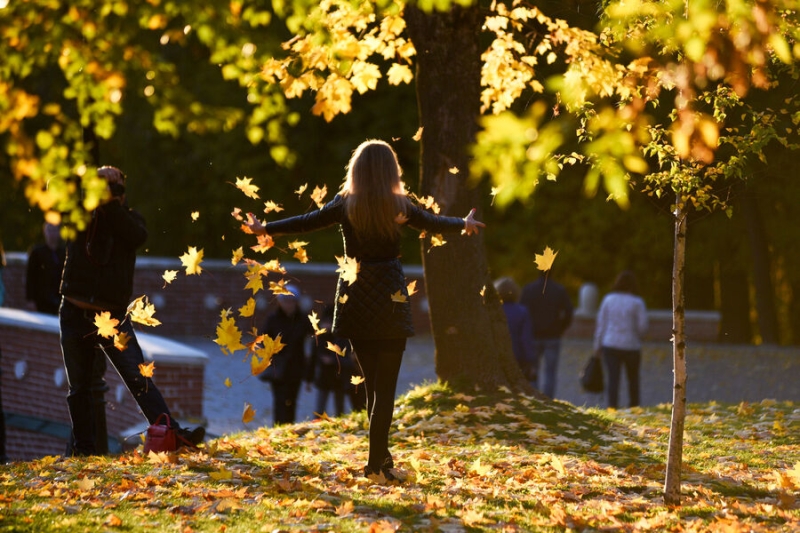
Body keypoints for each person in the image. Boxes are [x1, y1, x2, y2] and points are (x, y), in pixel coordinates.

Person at [245, 139, 485, 481]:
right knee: (383, 389)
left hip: (355, 299)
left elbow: (306, 222)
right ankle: (376, 463)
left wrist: (265, 228)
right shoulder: (399, 205)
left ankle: (380, 459)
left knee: (373, 387)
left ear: (355, 169)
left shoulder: (346, 204)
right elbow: (431, 223)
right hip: (390, 300)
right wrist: (462, 223)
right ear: (391, 170)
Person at [59, 166, 205, 456]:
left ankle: (171, 433)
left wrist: (110, 204)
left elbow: (135, 235)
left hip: (112, 317)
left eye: (116, 190)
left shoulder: (131, 221)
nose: (110, 195)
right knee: (79, 388)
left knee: (138, 378)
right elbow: (55, 185)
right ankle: (84, 451)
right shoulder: (80, 213)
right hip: (75, 313)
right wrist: (92, 176)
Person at [593, 270, 649, 408]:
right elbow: (642, 327)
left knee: (613, 379)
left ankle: (612, 407)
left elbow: (601, 324)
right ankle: (634, 406)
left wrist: (597, 346)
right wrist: (638, 336)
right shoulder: (637, 302)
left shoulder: (608, 299)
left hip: (610, 343)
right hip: (631, 345)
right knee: (633, 379)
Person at [259, 285, 313, 425]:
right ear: (280, 302)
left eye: (292, 301)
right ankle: (278, 426)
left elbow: (312, 338)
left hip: (296, 365)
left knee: (292, 399)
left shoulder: (302, 319)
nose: (289, 304)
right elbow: (263, 339)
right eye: (285, 301)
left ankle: (289, 426)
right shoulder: (273, 319)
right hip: (278, 365)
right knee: (279, 400)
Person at [520, 270, 574, 398]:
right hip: (553, 335)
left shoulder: (528, 290)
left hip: (533, 335)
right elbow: (569, 312)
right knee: (550, 372)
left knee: (533, 369)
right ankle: (548, 399)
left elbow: (522, 312)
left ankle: (534, 396)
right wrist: (560, 328)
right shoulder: (559, 290)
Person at [494, 276, 536, 385]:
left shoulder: (492, 311)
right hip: (517, 355)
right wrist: (529, 359)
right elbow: (525, 338)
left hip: (496, 353)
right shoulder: (522, 311)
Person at [307, 306, 349, 417]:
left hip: (337, 375)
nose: (327, 326)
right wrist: (309, 379)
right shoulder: (319, 339)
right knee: (320, 405)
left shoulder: (340, 337)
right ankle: (318, 420)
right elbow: (312, 360)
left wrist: (333, 361)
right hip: (323, 376)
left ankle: (339, 421)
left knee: (339, 405)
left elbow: (347, 356)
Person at [26, 222, 67, 314]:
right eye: (49, 230)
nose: (52, 234)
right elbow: (31, 276)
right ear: (45, 232)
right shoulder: (37, 252)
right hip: (41, 299)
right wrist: (30, 300)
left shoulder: (63, 253)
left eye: (54, 230)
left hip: (59, 299)